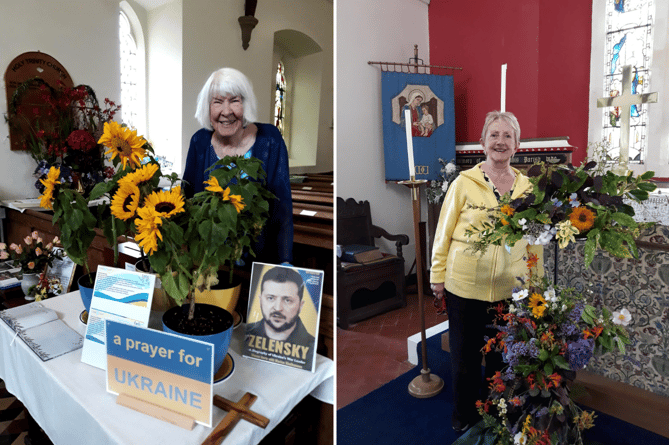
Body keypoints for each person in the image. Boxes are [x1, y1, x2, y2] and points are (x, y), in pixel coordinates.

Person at [430, 111, 543, 433]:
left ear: (517, 145)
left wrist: (535, 283)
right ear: (482, 142)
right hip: (465, 286)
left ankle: (496, 410)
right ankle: (464, 415)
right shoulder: (463, 183)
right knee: (464, 358)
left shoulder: (528, 188)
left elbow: (535, 241)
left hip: (511, 288)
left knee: (502, 357)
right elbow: (444, 232)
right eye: (494, 135)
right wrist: (437, 275)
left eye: (508, 136)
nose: (500, 142)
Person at [182, 67, 293, 265]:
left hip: (258, 259)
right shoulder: (199, 142)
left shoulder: (270, 140)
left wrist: (284, 261)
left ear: (246, 104)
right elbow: (187, 200)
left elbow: (282, 207)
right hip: (209, 262)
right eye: (217, 102)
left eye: (235, 101)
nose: (227, 111)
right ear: (208, 108)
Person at [246, 266, 315, 369]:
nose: (278, 308)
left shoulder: (311, 347)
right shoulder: (247, 335)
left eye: (287, 300)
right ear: (260, 301)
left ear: (300, 305)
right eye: (270, 298)